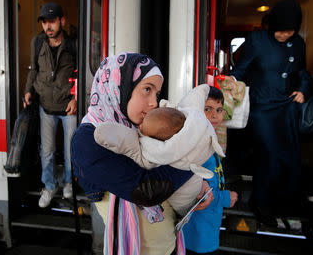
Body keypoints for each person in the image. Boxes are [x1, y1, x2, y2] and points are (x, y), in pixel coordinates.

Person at [71, 53, 214, 255]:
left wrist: (201, 186)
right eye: (147, 90)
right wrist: (191, 162)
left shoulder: (143, 128)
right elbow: (147, 190)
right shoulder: (88, 139)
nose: (154, 102)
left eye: (156, 93)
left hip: (170, 245)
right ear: (117, 88)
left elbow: (170, 167)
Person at [228, 0, 311, 224]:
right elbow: (241, 69)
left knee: (290, 158)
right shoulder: (256, 40)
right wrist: (229, 87)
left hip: (288, 107)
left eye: (290, 31)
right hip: (262, 109)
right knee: (269, 156)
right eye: (281, 31)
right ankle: (261, 204)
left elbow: (302, 72)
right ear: (273, 24)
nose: (285, 35)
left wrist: (302, 90)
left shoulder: (299, 43)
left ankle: (284, 204)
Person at [23, 2, 77, 208]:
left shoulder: (73, 44)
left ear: (62, 21)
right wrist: (28, 90)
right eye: (45, 22)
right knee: (46, 151)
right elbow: (33, 69)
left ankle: (68, 184)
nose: (48, 27)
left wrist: (76, 99)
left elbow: (80, 74)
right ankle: (49, 185)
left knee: (71, 150)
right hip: (45, 106)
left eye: (52, 21)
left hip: (68, 107)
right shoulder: (37, 42)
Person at [183, 86, 239, 255]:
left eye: (219, 109)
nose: (215, 115)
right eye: (207, 109)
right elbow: (195, 191)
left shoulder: (209, 139)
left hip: (207, 225)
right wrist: (225, 198)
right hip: (197, 231)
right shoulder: (198, 145)